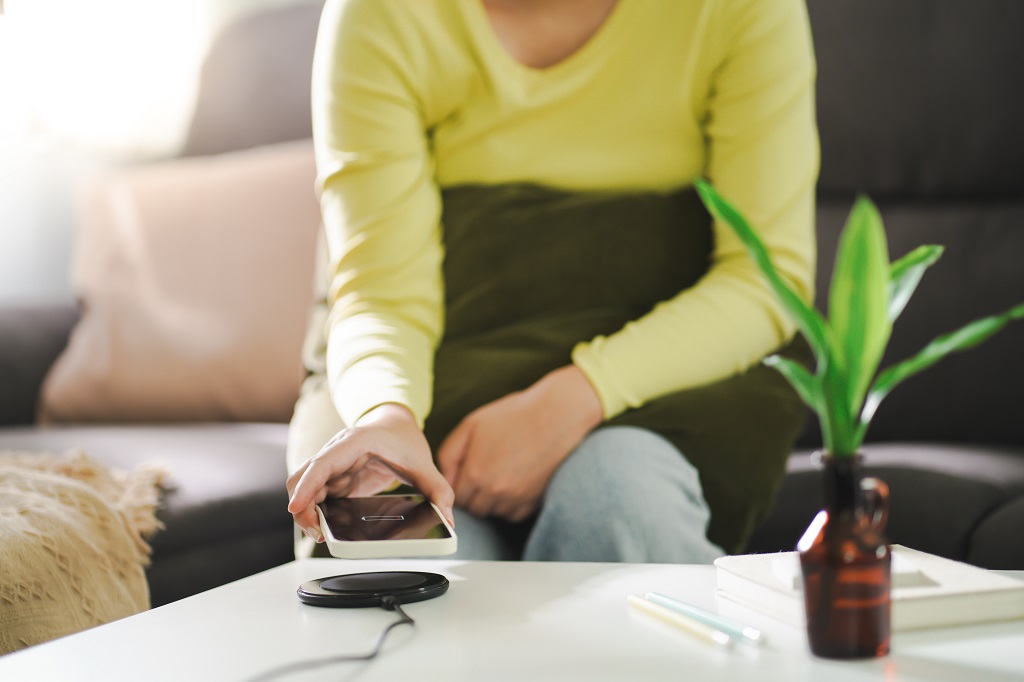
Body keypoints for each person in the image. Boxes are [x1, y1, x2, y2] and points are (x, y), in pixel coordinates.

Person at [286, 0, 819, 563]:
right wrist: (387, 420)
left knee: (621, 500)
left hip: (671, 386)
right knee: (393, 558)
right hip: (419, 381)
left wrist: (574, 399)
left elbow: (765, 280)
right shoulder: (380, 15)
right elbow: (382, 294)